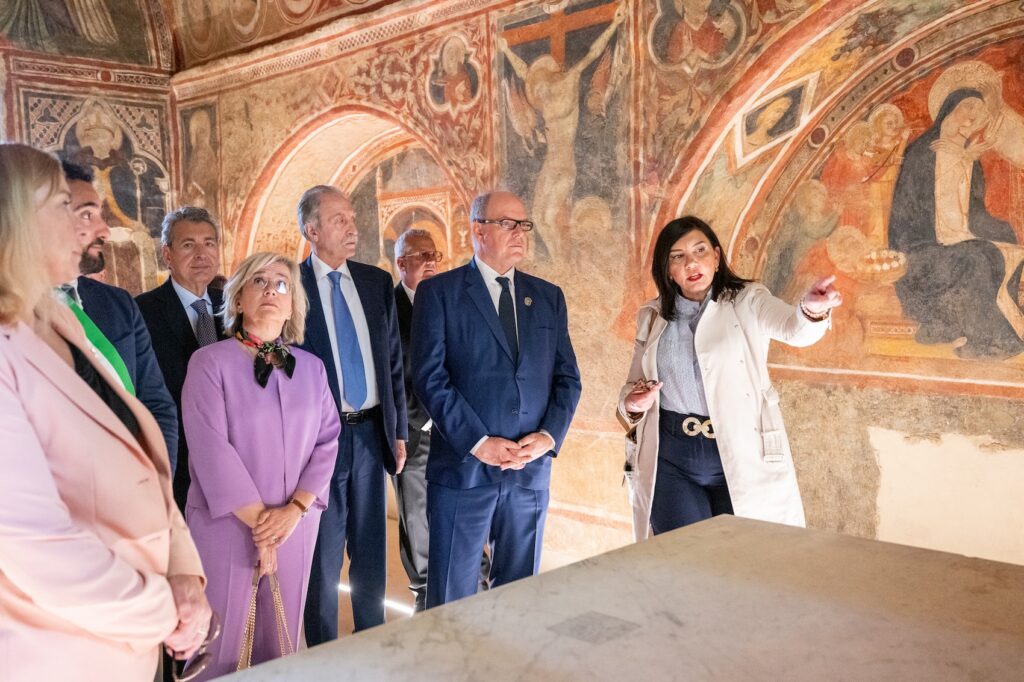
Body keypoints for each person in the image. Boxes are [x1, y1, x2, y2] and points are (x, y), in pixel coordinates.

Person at [0, 144, 210, 678]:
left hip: (135, 631)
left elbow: (142, 446)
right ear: (15, 221)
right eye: (64, 207)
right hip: (65, 650)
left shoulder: (58, 319)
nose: (89, 228)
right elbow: (34, 545)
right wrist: (165, 612)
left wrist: (183, 571)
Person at [617, 216, 841, 540]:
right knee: (684, 554)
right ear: (667, 270)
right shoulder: (652, 316)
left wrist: (812, 310)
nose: (691, 263)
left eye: (700, 251)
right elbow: (631, 387)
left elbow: (793, 328)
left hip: (740, 452)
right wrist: (633, 403)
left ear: (717, 257)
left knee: (741, 554)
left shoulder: (749, 300)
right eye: (678, 256)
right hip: (670, 456)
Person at [411, 190, 582, 608]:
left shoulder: (548, 297)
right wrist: (478, 442)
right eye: (508, 224)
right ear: (478, 230)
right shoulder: (440, 293)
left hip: (529, 470)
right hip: (464, 470)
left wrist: (547, 437)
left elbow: (567, 379)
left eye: (524, 225)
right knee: (451, 598)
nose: (520, 233)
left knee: (519, 597)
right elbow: (430, 378)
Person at [181, 252, 340, 678]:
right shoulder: (208, 364)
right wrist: (262, 528)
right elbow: (210, 450)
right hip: (226, 526)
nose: (271, 289)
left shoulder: (313, 369)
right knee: (220, 644)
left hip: (296, 526)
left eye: (282, 284)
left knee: (280, 642)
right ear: (238, 300)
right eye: (259, 281)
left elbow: (328, 441)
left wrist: (294, 511)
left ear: (292, 306)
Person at [296, 185, 408, 639]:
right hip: (319, 442)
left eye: (352, 218)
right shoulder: (290, 286)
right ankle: (325, 651)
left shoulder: (375, 282)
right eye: (339, 219)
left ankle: (372, 641)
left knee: (371, 552)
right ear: (312, 230)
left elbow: (393, 362)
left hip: (370, 435)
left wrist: (398, 431)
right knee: (322, 558)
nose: (352, 227)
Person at [888, 88, 1024, 359]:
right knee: (977, 258)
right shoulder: (923, 151)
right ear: (950, 107)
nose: (974, 114)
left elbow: (974, 208)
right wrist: (961, 158)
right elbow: (910, 210)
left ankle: (1005, 326)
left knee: (1006, 239)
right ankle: (984, 342)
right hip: (921, 244)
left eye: (979, 109)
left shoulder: (969, 154)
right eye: (969, 106)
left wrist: (965, 159)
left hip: (958, 235)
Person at [60, 160, 179, 467]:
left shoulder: (117, 304)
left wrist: (159, 480)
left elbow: (157, 405)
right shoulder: (14, 310)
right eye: (87, 214)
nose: (105, 231)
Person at [136, 206, 224, 509]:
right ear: (167, 255)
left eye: (209, 243)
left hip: (234, 458)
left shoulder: (236, 308)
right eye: (188, 245)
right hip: (177, 461)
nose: (201, 254)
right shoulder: (141, 312)